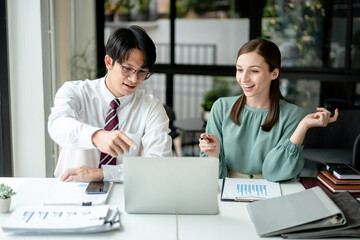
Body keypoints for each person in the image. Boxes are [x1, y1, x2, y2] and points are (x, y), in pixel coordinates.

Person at [199, 38, 339, 182]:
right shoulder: (221, 107)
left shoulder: (293, 115)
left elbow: (275, 173)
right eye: (240, 70)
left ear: (274, 73)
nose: (244, 78)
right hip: (227, 188)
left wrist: (303, 126)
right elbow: (212, 175)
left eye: (254, 71)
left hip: (275, 191)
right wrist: (213, 155)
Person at [48, 25, 172, 183]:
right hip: (71, 187)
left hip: (123, 191)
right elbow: (57, 125)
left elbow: (158, 165)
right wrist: (95, 136)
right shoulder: (76, 92)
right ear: (109, 62)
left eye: (142, 72)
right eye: (127, 69)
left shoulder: (151, 108)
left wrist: (102, 173)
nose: (134, 79)